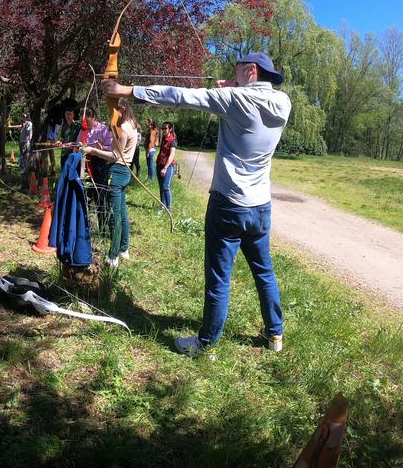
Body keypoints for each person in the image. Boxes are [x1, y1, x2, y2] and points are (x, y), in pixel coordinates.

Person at [100, 52, 291, 357]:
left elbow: (180, 96)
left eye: (237, 69)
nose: (233, 74)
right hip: (260, 207)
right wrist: (234, 86)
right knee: (264, 271)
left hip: (228, 205)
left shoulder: (234, 99)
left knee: (219, 276)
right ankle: (275, 335)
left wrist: (126, 91)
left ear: (250, 70)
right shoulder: (283, 103)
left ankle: (205, 342)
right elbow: (248, 99)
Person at [84, 101, 138, 268]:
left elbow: (115, 156)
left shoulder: (125, 129)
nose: (111, 114)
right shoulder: (131, 125)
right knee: (122, 212)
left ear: (122, 109)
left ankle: (113, 256)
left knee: (114, 216)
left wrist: (92, 151)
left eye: (114, 111)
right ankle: (123, 248)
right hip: (124, 172)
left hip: (117, 172)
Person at [83, 107, 113, 232]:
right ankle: (86, 224)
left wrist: (100, 148)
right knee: (86, 195)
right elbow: (78, 143)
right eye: (85, 121)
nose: (87, 124)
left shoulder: (103, 129)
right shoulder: (83, 130)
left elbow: (111, 148)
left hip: (99, 164)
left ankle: (103, 227)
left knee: (100, 195)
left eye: (88, 121)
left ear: (94, 118)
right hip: (86, 164)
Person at [156, 122, 177, 211]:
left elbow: (171, 155)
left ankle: (169, 209)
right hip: (159, 165)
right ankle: (162, 206)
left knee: (165, 187)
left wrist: (165, 168)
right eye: (162, 128)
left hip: (168, 167)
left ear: (170, 129)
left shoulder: (173, 140)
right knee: (161, 187)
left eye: (165, 128)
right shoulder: (164, 138)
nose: (163, 130)